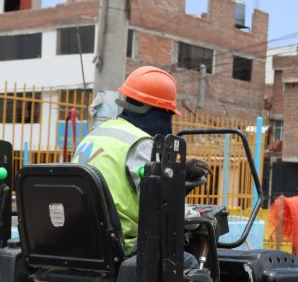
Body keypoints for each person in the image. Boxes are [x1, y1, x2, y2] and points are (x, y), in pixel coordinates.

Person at [71, 65, 209, 266]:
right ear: (155, 111)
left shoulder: (96, 134)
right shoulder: (140, 143)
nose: (167, 122)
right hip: (119, 246)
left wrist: (177, 175)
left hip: (82, 241)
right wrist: (199, 221)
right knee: (189, 265)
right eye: (167, 115)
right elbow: (165, 205)